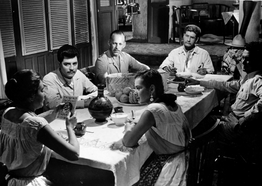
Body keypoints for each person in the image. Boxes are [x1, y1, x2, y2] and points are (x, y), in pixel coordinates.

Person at [110, 69, 191, 186]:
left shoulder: (153, 110)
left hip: (170, 170)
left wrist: (129, 126)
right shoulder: (172, 104)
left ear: (152, 89)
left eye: (138, 88)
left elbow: (128, 142)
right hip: (183, 163)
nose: (135, 92)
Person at [0, 69, 80, 185]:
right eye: (42, 90)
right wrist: (69, 127)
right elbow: (74, 154)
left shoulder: (8, 113)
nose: (45, 94)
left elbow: (28, 124)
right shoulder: (36, 124)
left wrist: (55, 112)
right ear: (31, 97)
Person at [186, 41, 262, 142]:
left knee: (196, 130)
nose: (243, 62)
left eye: (246, 59)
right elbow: (225, 85)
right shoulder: (248, 78)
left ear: (256, 61)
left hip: (236, 126)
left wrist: (246, 117)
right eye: (243, 58)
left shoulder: (258, 80)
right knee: (199, 120)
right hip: (230, 118)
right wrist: (199, 82)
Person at [43, 44, 97, 110]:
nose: (72, 68)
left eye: (74, 64)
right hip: (57, 119)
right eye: (67, 64)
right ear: (59, 64)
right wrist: (83, 102)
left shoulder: (78, 74)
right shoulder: (49, 79)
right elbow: (53, 104)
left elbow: (95, 90)